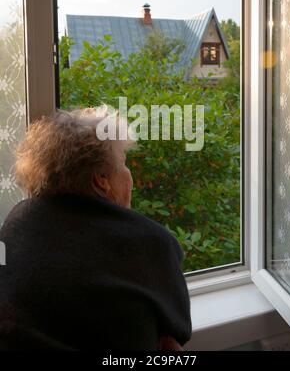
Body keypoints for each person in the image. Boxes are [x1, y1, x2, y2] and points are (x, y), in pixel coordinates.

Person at [0, 108, 192, 350]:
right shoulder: (150, 243)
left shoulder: (17, 220)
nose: (129, 174)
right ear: (101, 180)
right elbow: (175, 337)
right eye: (124, 163)